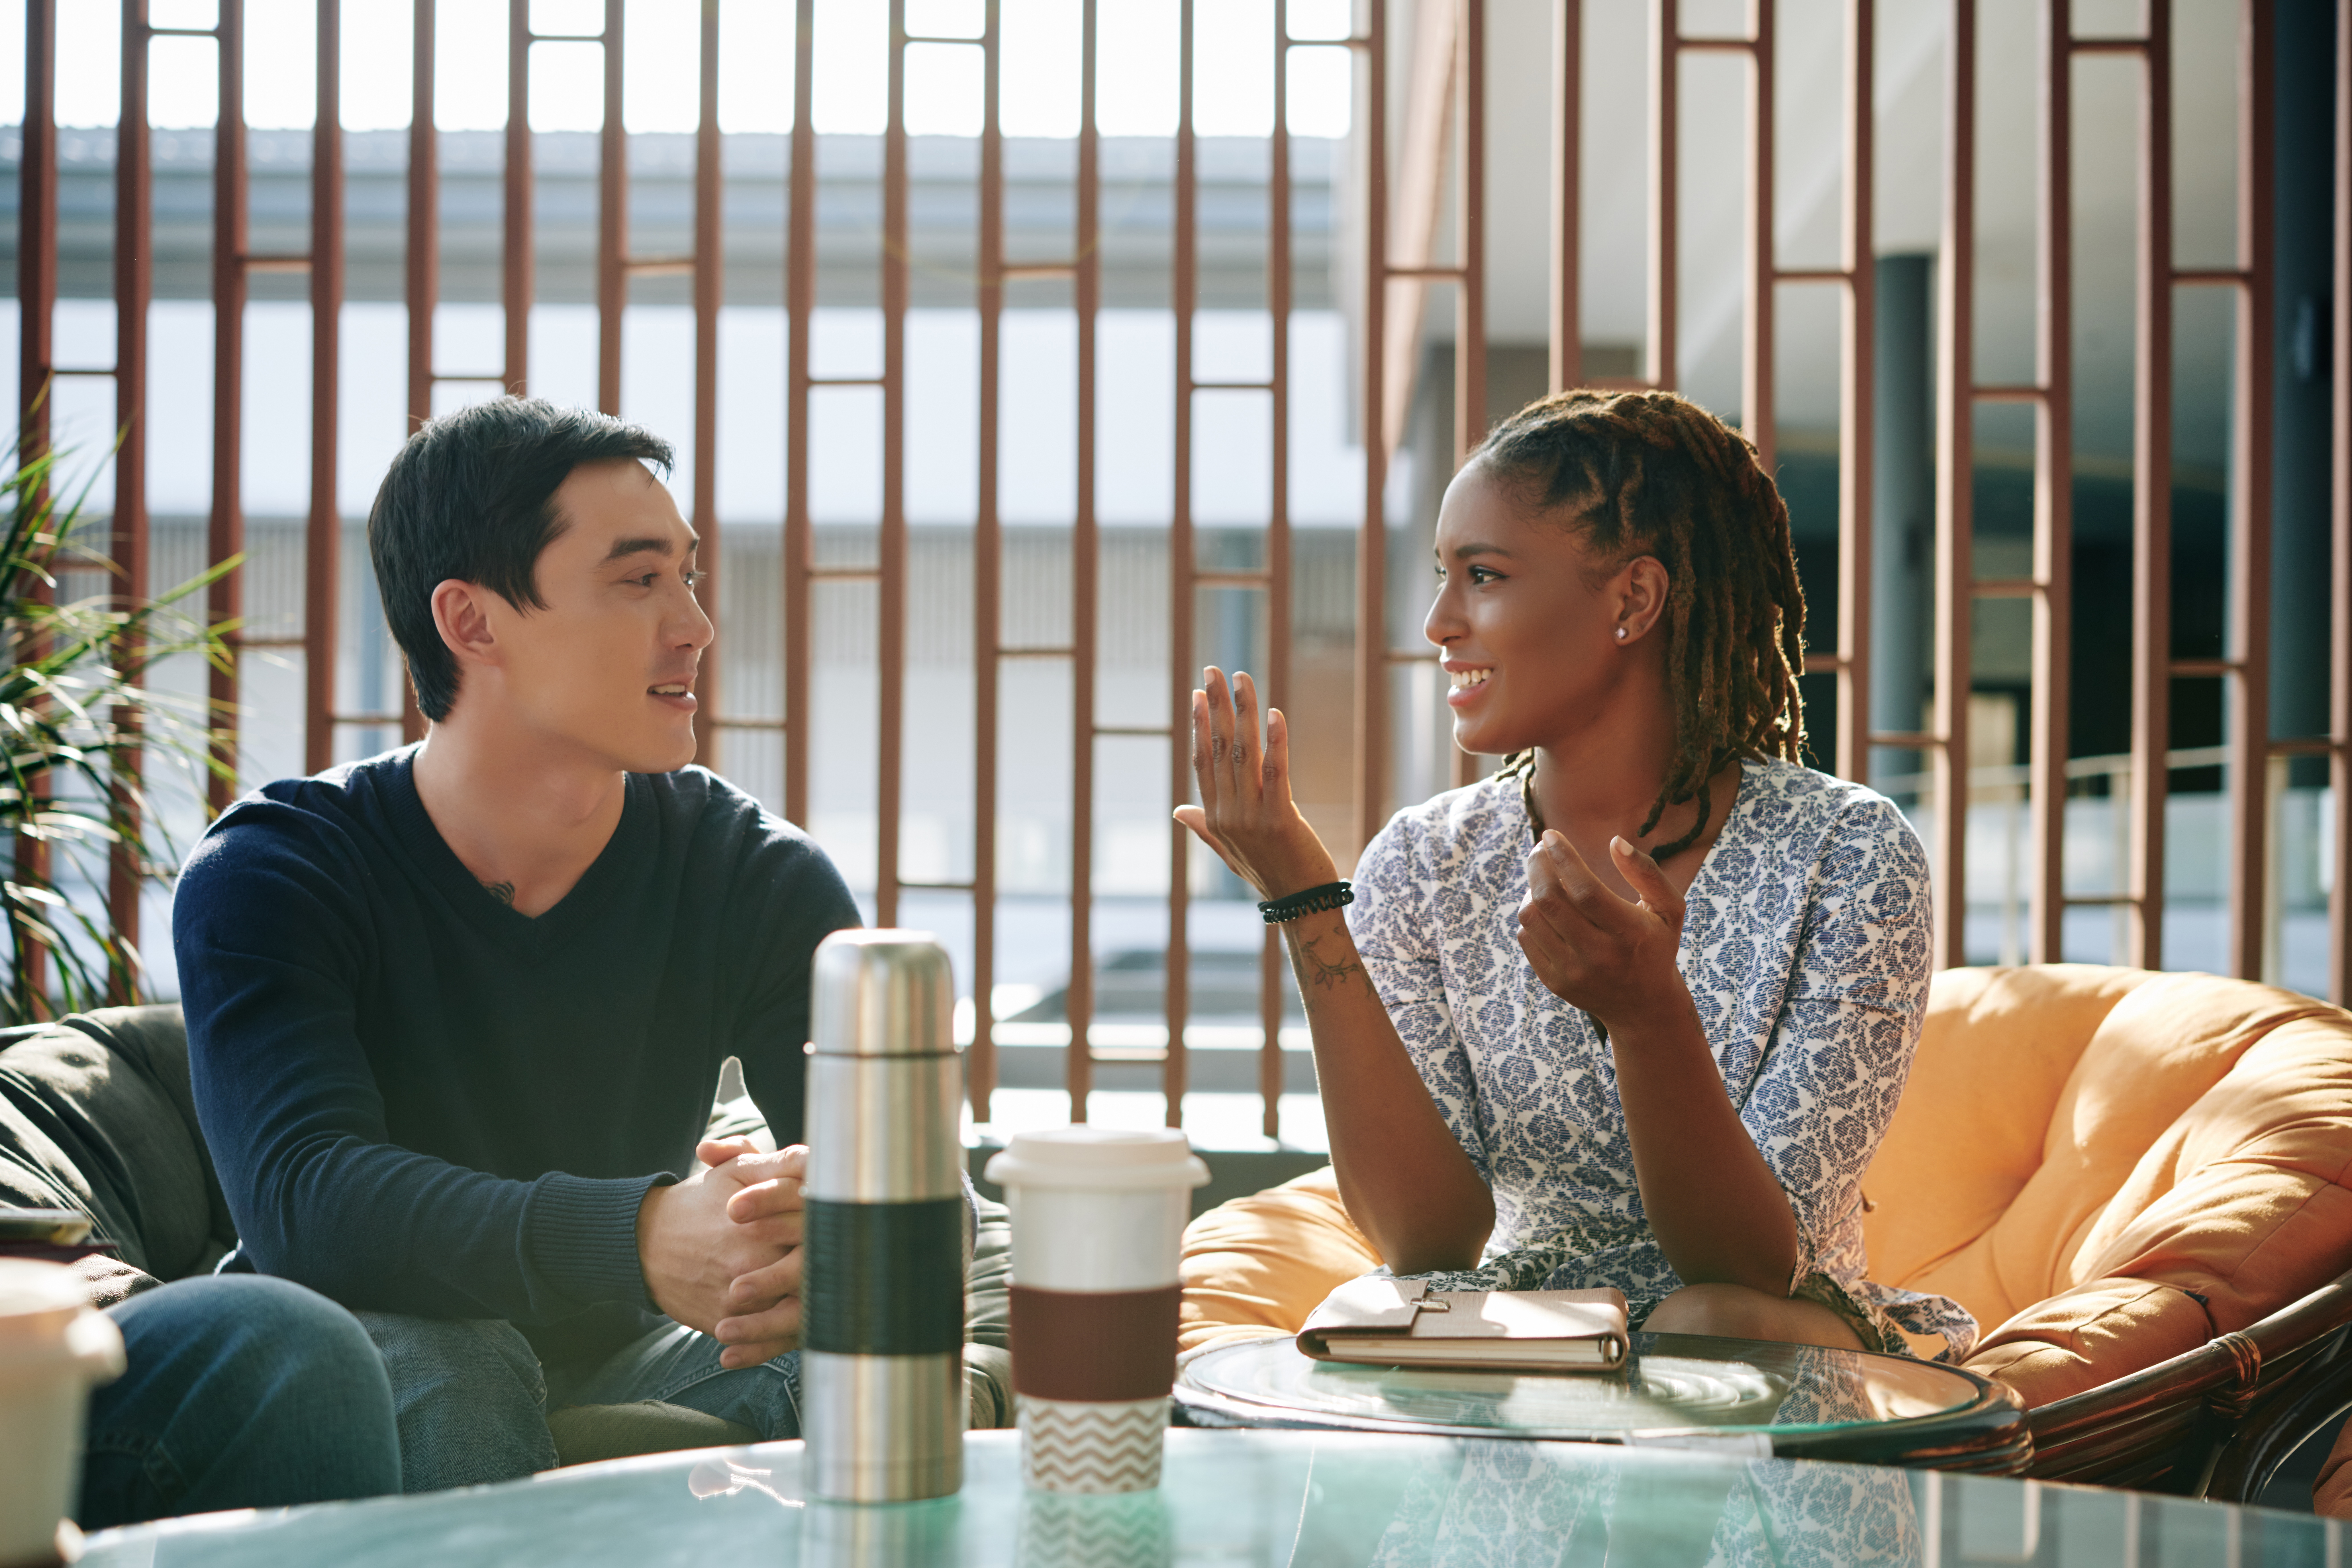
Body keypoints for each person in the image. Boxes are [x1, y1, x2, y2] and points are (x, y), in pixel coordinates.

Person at [172, 398, 894, 1491]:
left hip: (638, 1347)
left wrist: (796, 1234)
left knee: (862, 1365)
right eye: (638, 580)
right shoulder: (277, 872)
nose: (694, 624)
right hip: (352, 1355)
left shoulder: (753, 874)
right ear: (472, 623)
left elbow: (895, 1194)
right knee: (462, 1364)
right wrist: (644, 1237)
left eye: (688, 578)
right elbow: (304, 1201)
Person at [1177, 388, 1975, 1359]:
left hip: (1767, 1363)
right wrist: (1307, 905)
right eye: (1442, 575)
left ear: (1633, 600)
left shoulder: (1849, 857)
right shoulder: (1426, 864)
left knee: (1702, 1327)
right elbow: (1424, 1240)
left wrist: (1648, 1015)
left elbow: (1748, 1267)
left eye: (1482, 576)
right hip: (1523, 1353)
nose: (1437, 622)